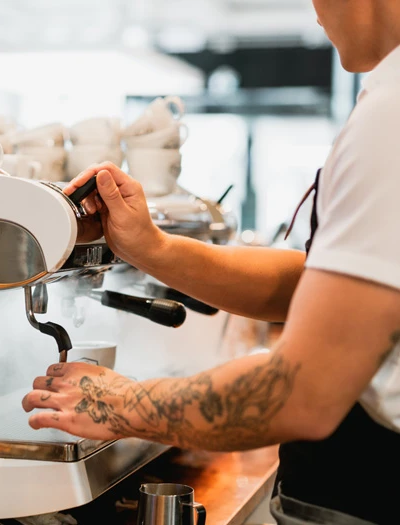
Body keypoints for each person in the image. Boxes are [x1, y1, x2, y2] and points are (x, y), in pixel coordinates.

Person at [22, 1, 400, 524]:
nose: (314, 12)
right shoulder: (385, 101)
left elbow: (303, 392)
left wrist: (121, 404)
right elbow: (317, 287)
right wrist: (151, 247)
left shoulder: (391, 116)